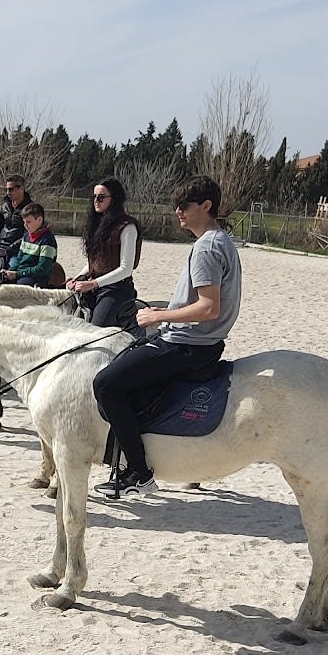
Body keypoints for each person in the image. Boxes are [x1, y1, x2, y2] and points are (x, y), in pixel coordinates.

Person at [91, 175, 241, 501]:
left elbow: (208, 307)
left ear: (206, 206)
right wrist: (164, 306)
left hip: (187, 345)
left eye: (184, 206)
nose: (178, 212)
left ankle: (139, 473)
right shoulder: (221, 240)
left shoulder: (206, 248)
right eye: (176, 206)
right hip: (199, 340)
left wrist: (158, 316)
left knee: (106, 384)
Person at [67, 176, 143, 334]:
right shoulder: (97, 225)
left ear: (113, 199)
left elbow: (126, 269)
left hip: (116, 289)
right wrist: (78, 277)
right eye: (94, 197)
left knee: (95, 330)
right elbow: (95, 262)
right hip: (94, 284)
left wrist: (93, 283)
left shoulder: (127, 227)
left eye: (101, 197)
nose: (96, 201)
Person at [0, 174, 33, 273]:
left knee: (12, 270)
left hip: (16, 252)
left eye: (11, 189)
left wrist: (8, 250)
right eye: (6, 189)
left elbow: (27, 236)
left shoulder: (30, 209)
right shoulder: (5, 206)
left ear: (21, 189)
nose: (8, 193)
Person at [1, 203, 59, 286]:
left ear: (39, 220)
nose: (25, 226)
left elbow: (42, 269)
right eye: (24, 222)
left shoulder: (47, 240)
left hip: (36, 278)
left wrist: (17, 274)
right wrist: (10, 271)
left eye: (28, 222)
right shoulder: (26, 237)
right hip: (21, 273)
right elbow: (19, 258)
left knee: (19, 290)